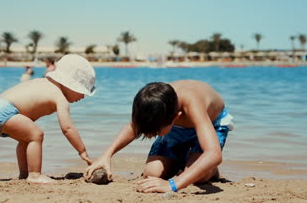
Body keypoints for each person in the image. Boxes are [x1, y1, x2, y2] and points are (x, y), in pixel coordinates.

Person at [85, 80, 234, 193]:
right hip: (175, 128)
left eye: (155, 132)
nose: (150, 135)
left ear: (176, 117)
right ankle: (186, 161)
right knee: (152, 173)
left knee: (199, 178)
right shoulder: (157, 104)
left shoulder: (192, 104)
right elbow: (133, 127)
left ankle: (208, 170)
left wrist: (172, 185)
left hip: (211, 123)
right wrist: (106, 156)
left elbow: (214, 154)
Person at [0, 54, 96, 184]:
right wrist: (83, 152)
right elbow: (67, 128)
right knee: (36, 135)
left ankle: (24, 174)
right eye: (82, 91)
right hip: (7, 111)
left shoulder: (45, 82)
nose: (83, 96)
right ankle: (34, 175)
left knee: (26, 140)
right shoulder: (59, 97)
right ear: (71, 85)